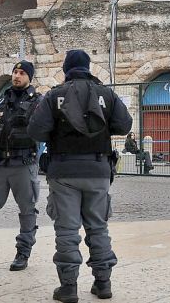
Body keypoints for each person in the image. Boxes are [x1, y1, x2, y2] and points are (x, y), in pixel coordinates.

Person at [28, 49, 133, 303]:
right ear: (88, 67)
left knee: (67, 230)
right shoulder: (106, 94)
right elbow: (124, 125)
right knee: (98, 227)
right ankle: (103, 283)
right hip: (98, 169)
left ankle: (68, 287)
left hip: (64, 171)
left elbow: (36, 131)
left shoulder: (54, 95)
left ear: (66, 69)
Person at [0, 60, 42, 272]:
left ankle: (23, 252)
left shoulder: (38, 101)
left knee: (27, 210)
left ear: (29, 77)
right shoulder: (1, 100)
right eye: (15, 72)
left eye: (22, 73)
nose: (17, 76)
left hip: (24, 164)